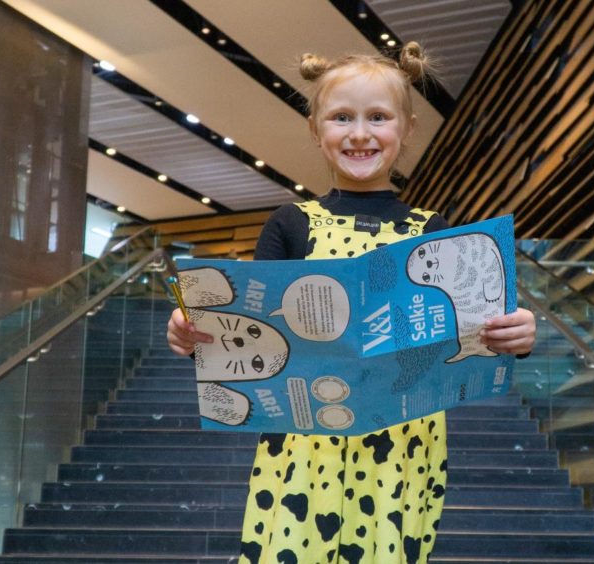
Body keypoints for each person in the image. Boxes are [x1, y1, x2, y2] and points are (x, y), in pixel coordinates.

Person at [167, 42, 536, 564]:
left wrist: (516, 334)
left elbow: (476, 323)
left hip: (402, 442)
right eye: (342, 117)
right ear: (316, 131)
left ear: (406, 129)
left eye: (377, 117)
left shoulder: (432, 231)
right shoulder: (289, 224)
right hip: (302, 439)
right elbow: (243, 324)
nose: (360, 133)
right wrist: (190, 330)